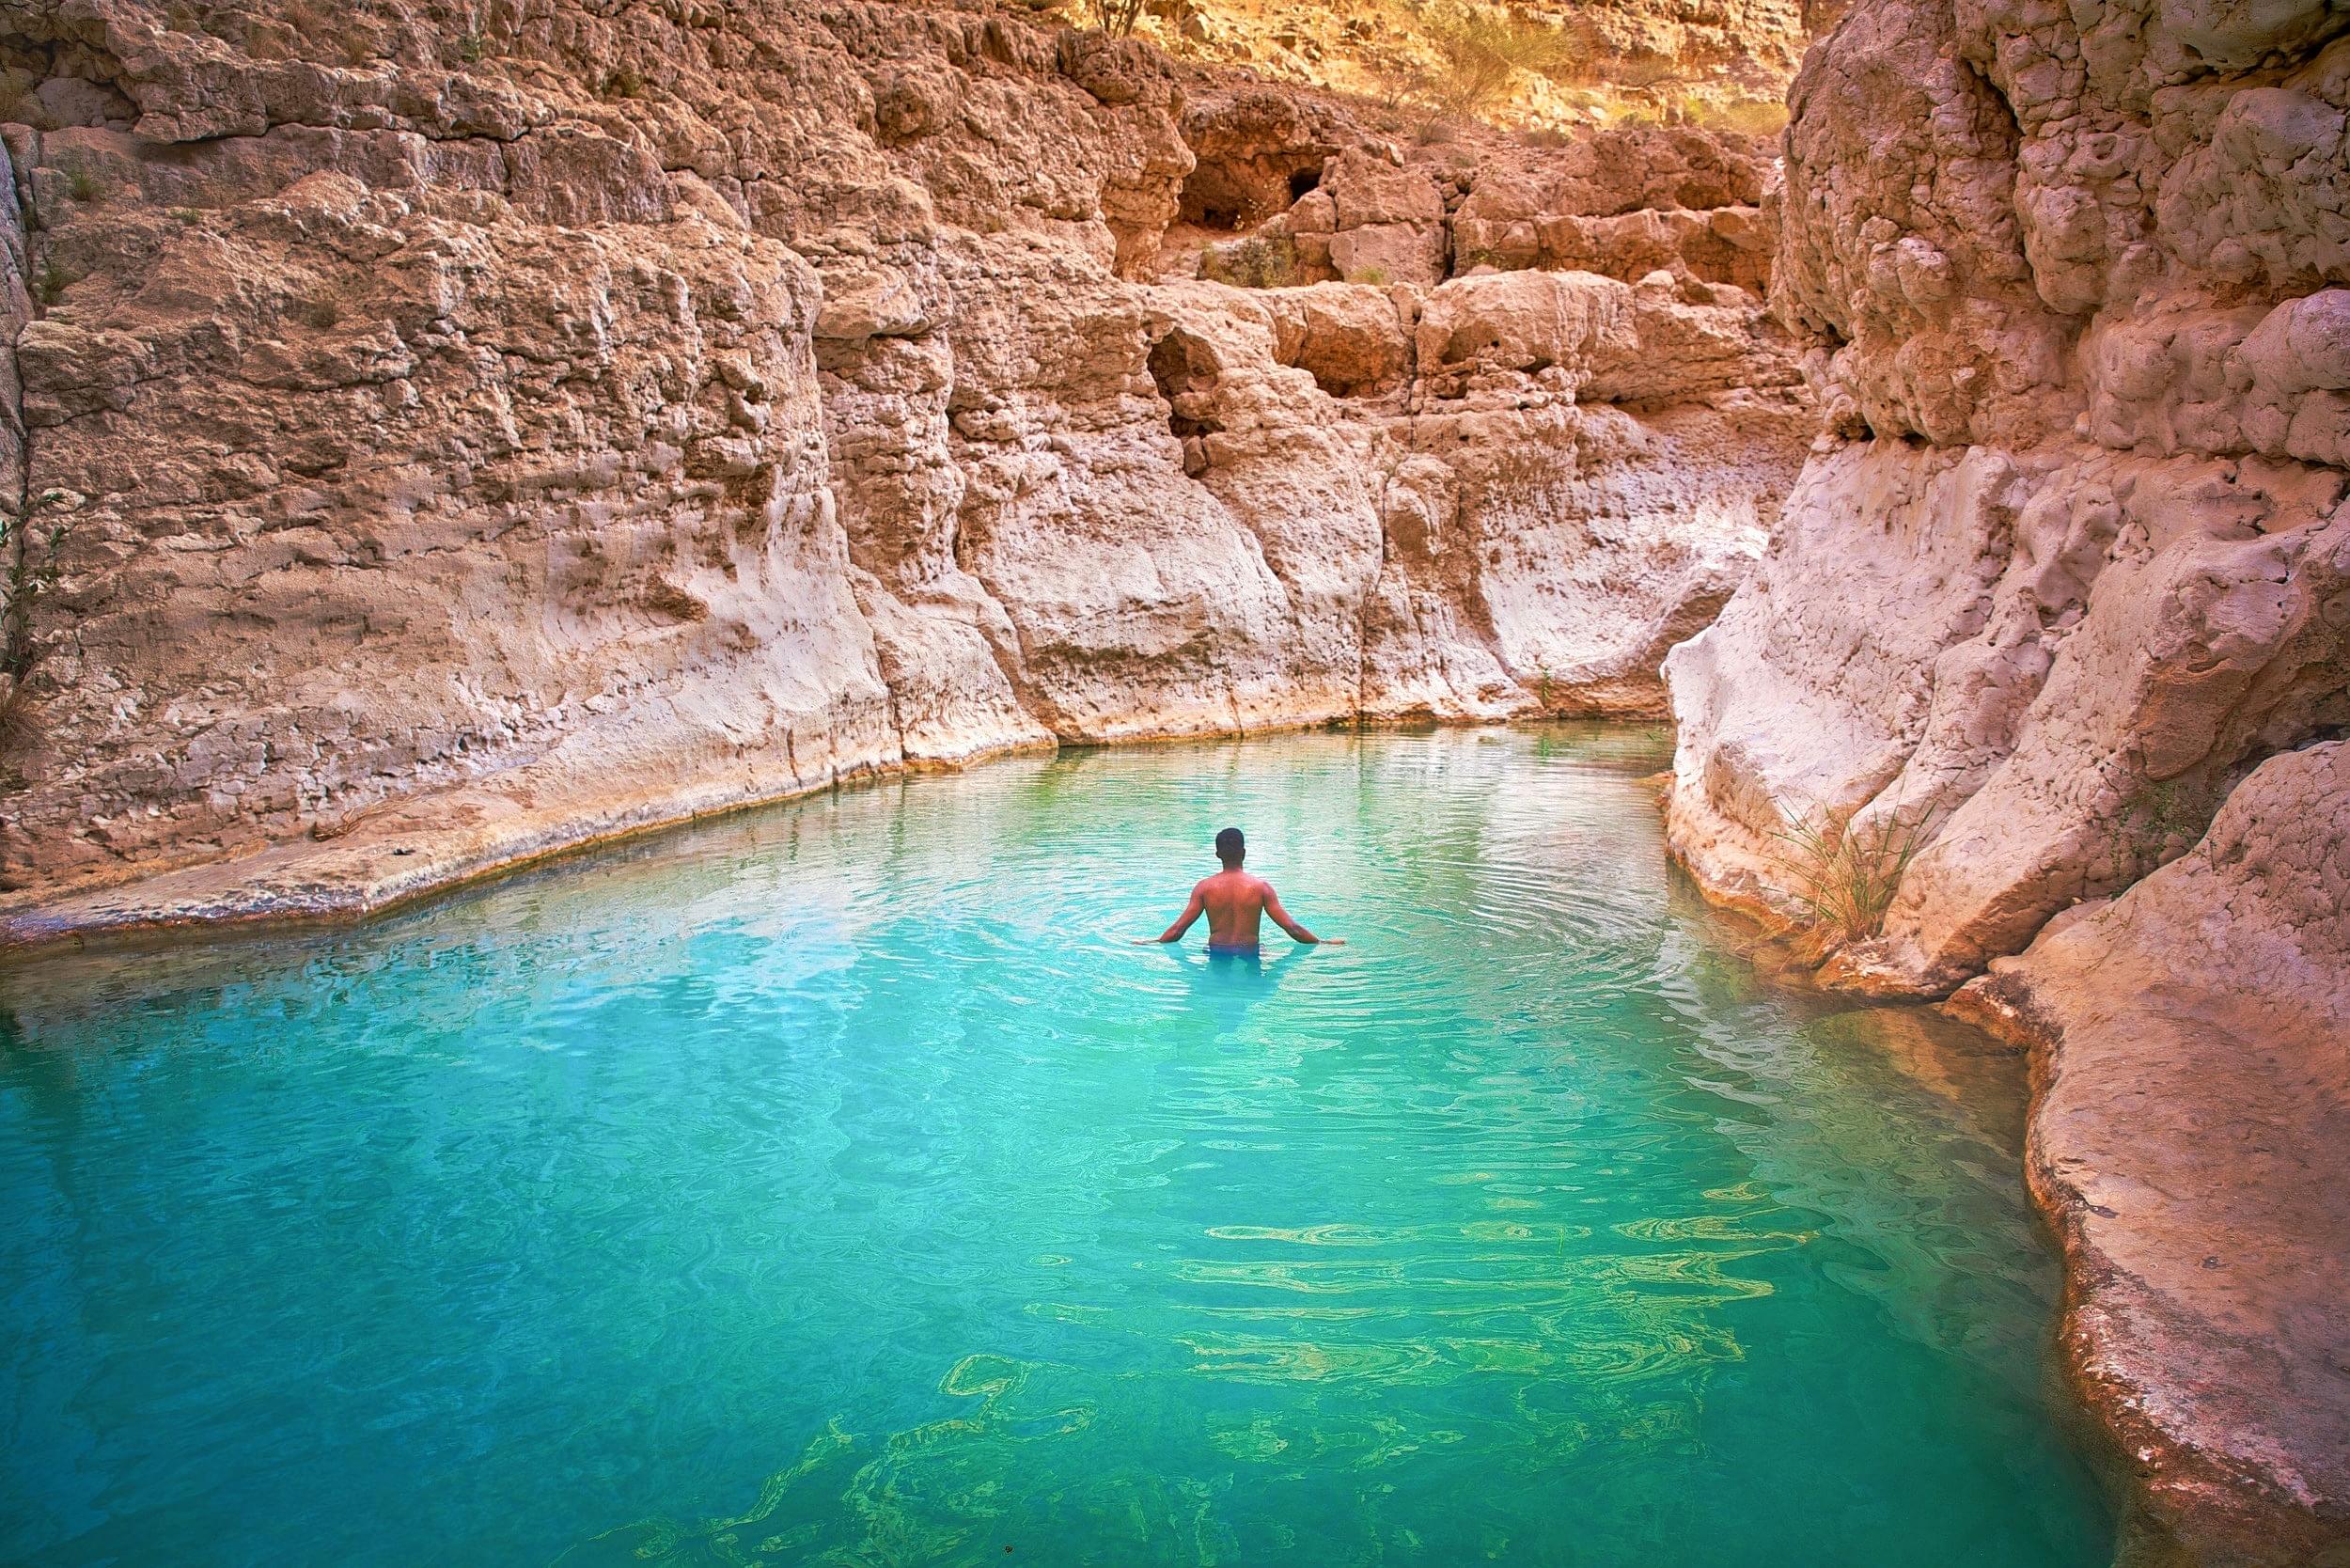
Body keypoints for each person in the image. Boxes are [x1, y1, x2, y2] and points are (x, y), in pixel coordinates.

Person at [1135, 827, 1344, 954]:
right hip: (1250, 952)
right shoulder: (1261, 888)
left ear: (1217, 854)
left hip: (1217, 952)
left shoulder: (1204, 888)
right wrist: (1322, 942)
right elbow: (1292, 928)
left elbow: (1178, 930)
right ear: (1244, 852)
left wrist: (1151, 942)